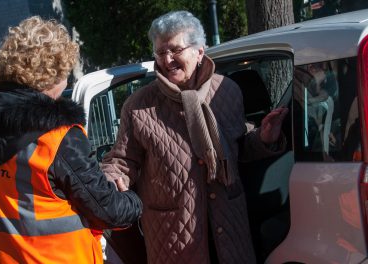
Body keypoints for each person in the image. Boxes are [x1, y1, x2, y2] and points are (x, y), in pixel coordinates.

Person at [0, 16, 142, 264]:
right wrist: (135, 200)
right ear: (51, 76)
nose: (66, 84)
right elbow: (108, 211)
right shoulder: (58, 136)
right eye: (65, 74)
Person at [101, 11, 288, 264]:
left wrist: (263, 139)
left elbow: (238, 148)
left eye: (175, 50)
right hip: (174, 236)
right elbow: (122, 160)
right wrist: (113, 177)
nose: (167, 60)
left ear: (199, 51)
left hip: (228, 227)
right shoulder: (138, 106)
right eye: (159, 52)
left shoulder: (226, 91)